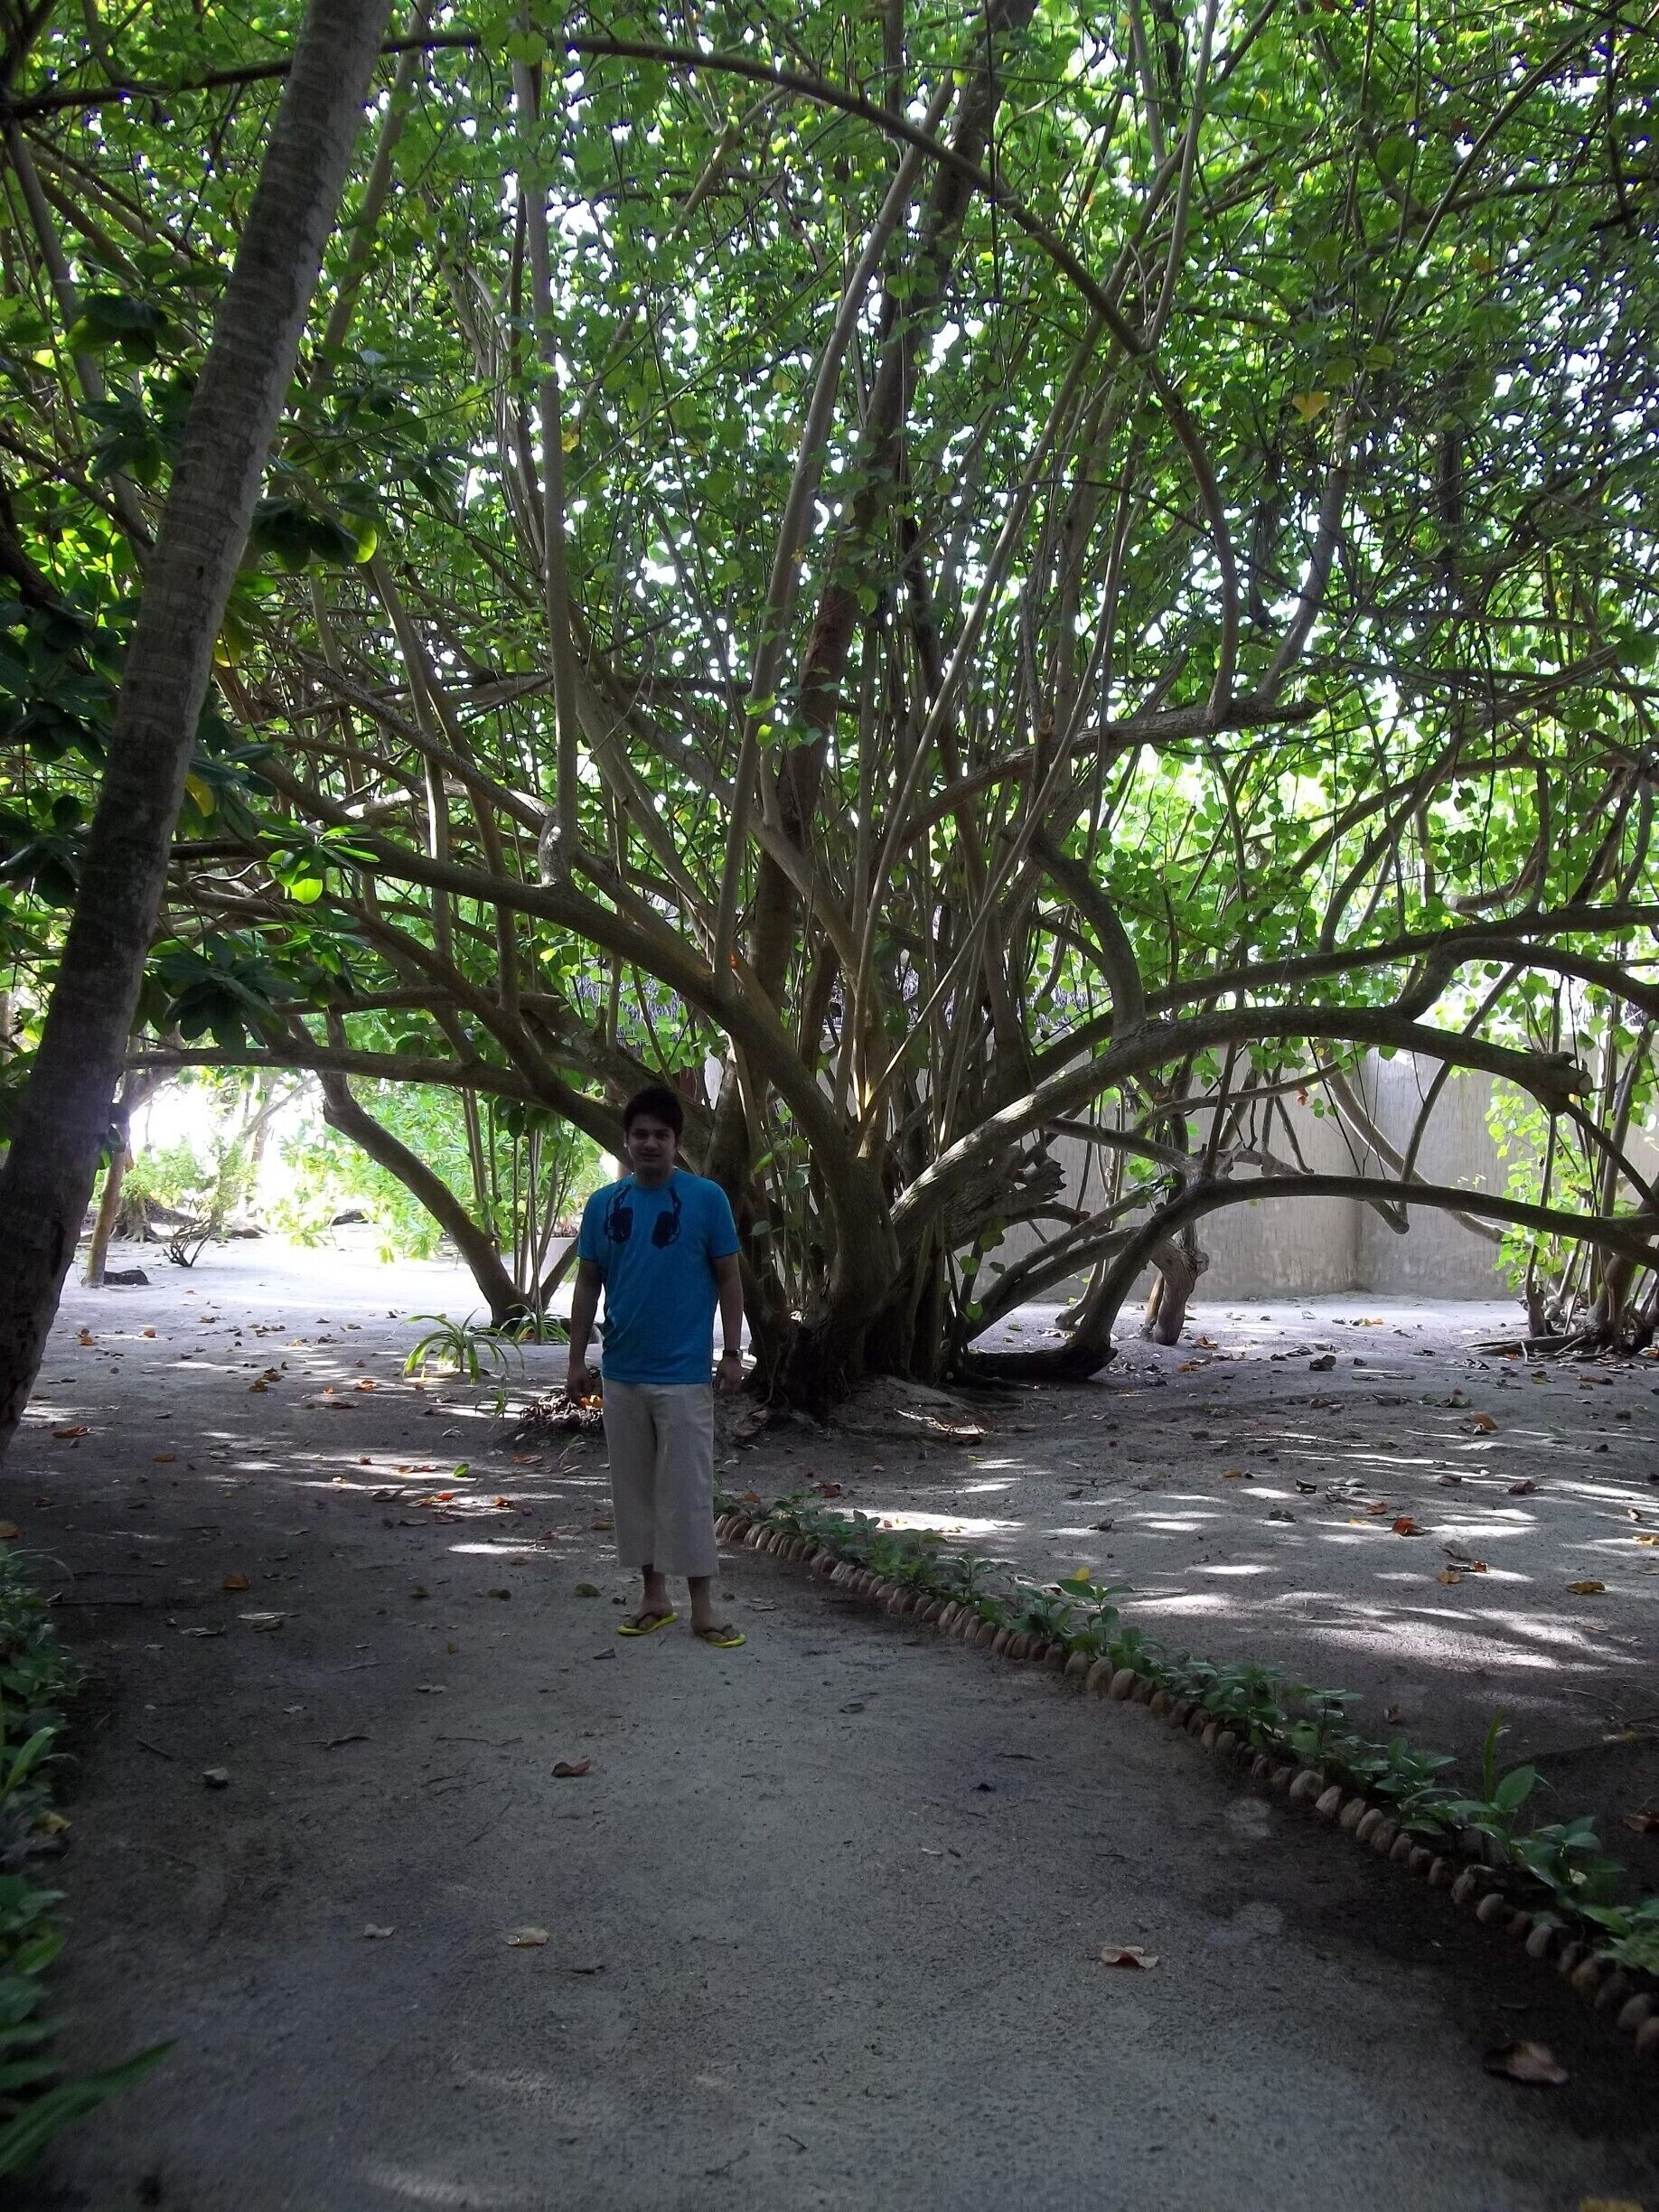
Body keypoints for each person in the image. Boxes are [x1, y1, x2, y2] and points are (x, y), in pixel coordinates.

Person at [567, 1083, 746, 1647]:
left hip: (686, 1375)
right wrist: (577, 1360)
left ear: (676, 1142)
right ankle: (652, 1596)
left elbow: (729, 1277)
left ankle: (703, 1606)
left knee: (689, 1491)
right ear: (626, 1140)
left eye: (661, 1135)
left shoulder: (707, 1200)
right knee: (635, 1490)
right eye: (640, 1134)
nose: (650, 1144)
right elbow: (588, 1285)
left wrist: (734, 1352)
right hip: (621, 1372)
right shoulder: (603, 1205)